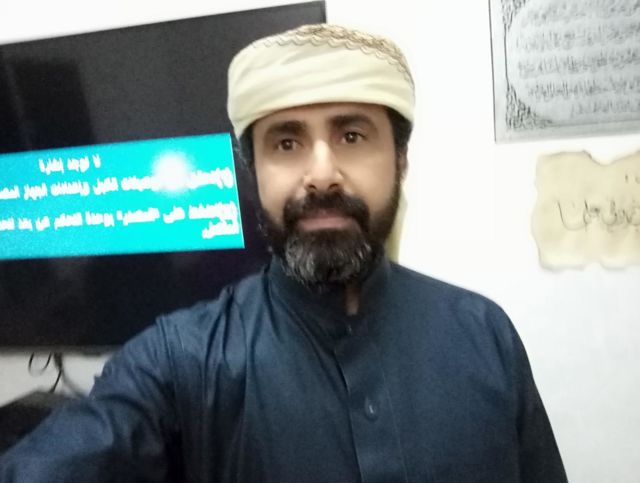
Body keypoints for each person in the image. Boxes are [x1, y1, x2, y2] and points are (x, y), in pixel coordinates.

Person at [0, 24, 567, 482]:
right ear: (253, 171)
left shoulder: (484, 334)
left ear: (401, 160)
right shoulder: (182, 360)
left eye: (351, 136)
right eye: (287, 142)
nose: (321, 174)